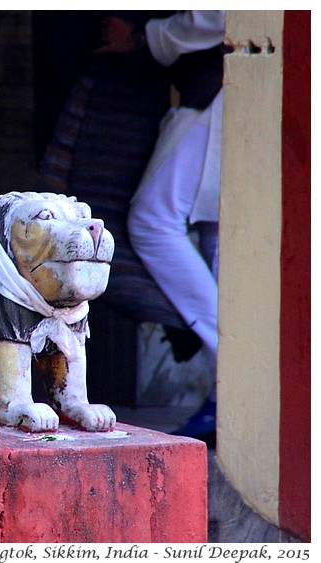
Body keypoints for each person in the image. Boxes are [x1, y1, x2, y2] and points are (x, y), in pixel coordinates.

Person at [96, 11, 227, 439]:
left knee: (153, 221)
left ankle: (232, 372)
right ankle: (223, 395)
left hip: (219, 87)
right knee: (217, 230)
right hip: (220, 88)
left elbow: (217, 14)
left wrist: (144, 37)